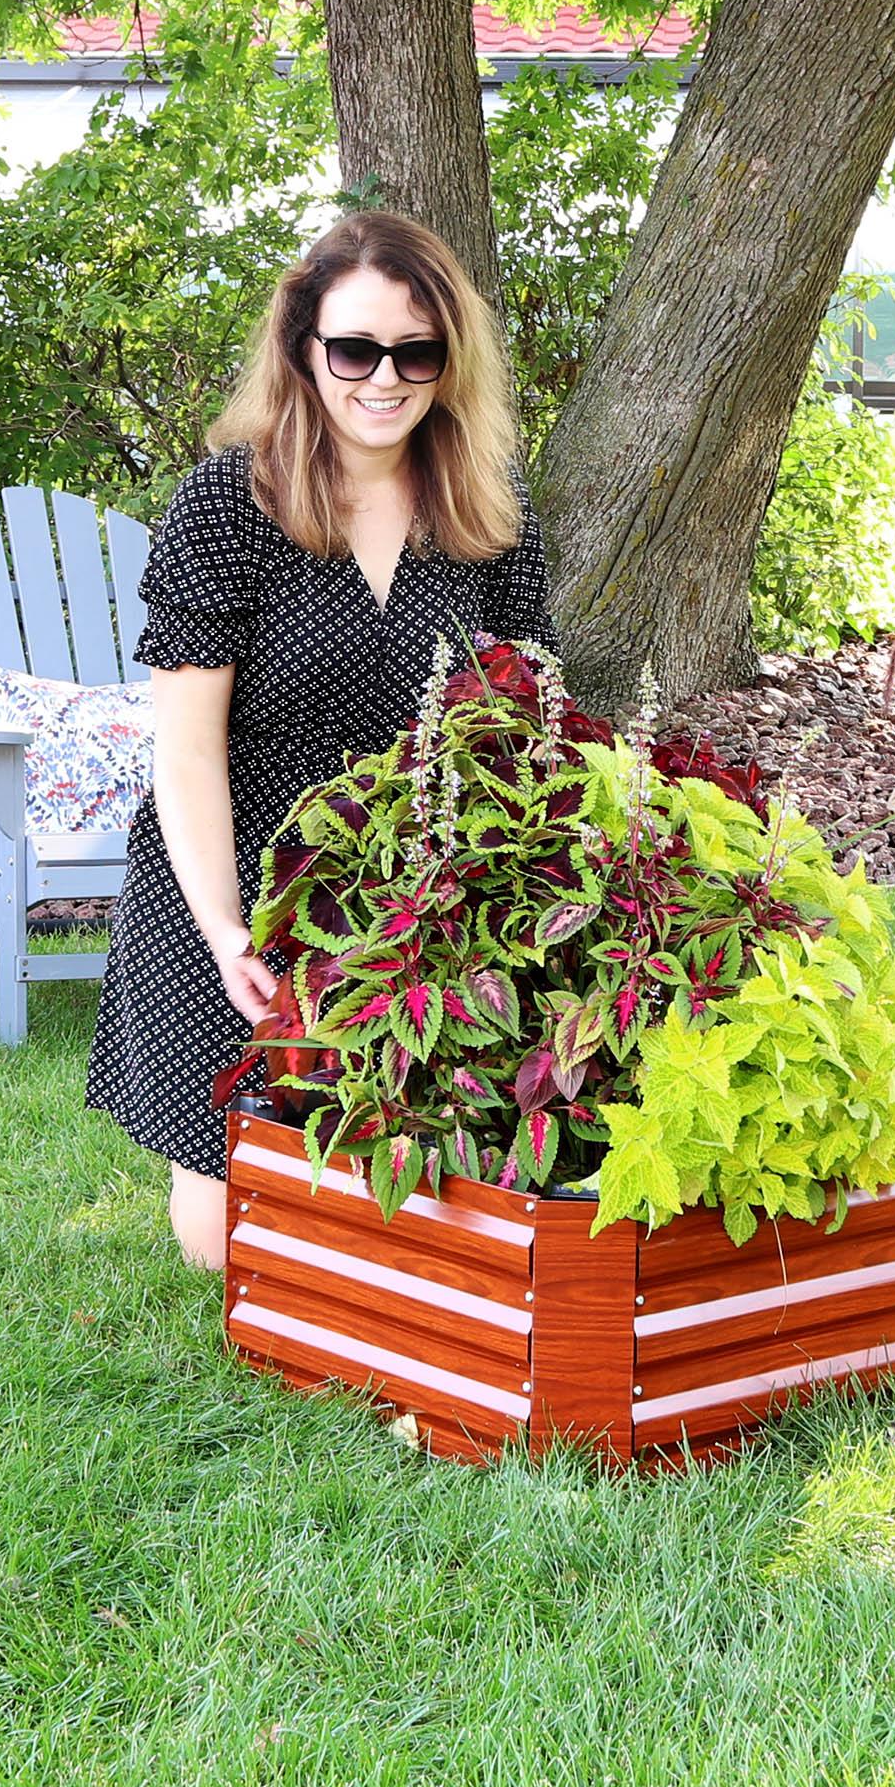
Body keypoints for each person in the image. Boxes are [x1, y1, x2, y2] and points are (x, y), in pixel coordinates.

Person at [88, 210, 557, 1268]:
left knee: (420, 1212)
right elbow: (189, 751)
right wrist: (226, 934)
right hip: (236, 871)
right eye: (354, 349)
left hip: (412, 883)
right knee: (231, 1247)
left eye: (415, 351)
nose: (383, 377)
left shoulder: (488, 505)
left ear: (450, 358)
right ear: (304, 349)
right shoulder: (229, 501)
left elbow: (531, 717)